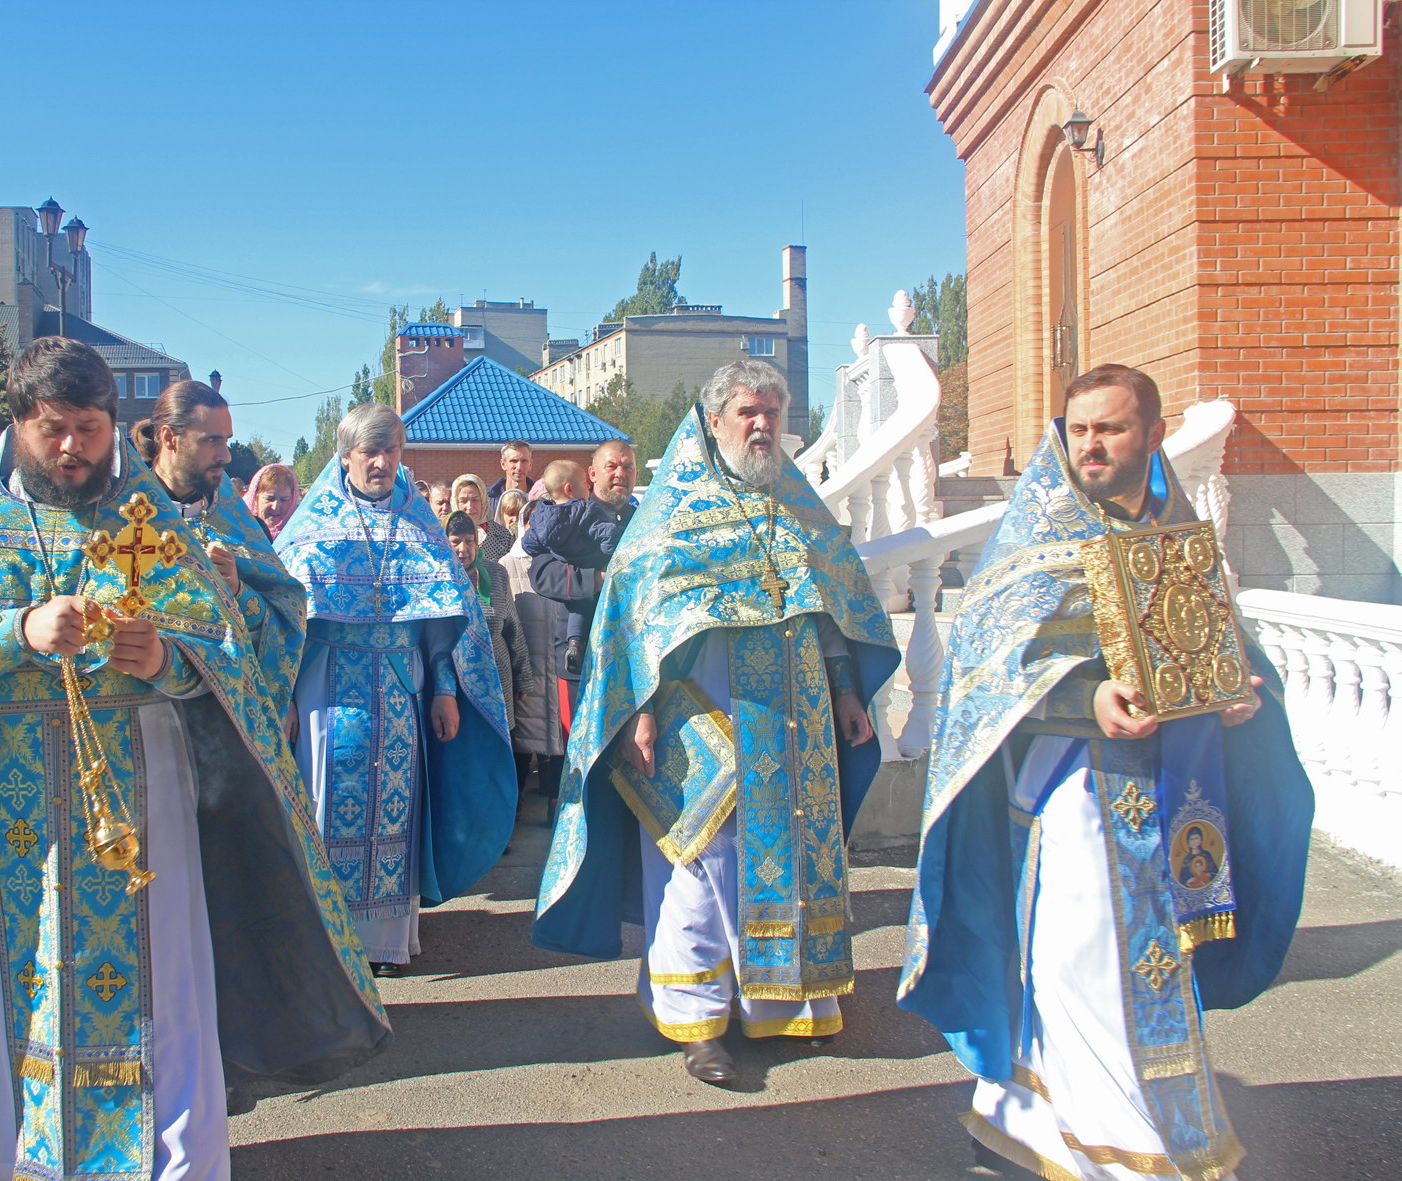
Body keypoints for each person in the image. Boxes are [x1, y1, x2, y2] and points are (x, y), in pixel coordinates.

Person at [0, 337, 389, 1179]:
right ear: (18, 422)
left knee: (163, 979)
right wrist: (11, 631)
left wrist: (166, 661)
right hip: (6, 788)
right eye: (54, 429)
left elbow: (232, 656)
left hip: (144, 778)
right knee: (13, 983)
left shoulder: (152, 524)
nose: (72, 449)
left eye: (90, 429)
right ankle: (17, 1159)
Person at [898, 364, 1312, 1181]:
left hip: (1179, 796)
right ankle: (1134, 1151)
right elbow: (992, 677)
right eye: (1078, 429)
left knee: (1141, 964)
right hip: (1076, 793)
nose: (1090, 444)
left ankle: (1041, 1123)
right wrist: (1087, 697)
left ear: (1153, 436)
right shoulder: (1037, 540)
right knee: (1083, 962)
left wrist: (1238, 699)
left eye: (1111, 429)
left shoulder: (1175, 530)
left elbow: (1216, 648)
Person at [532, 361, 899, 1086]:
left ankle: (783, 1006)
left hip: (795, 720)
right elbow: (634, 622)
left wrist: (850, 689)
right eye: (747, 412)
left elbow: (829, 606)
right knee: (699, 866)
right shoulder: (668, 516)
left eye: (771, 410)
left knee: (792, 859)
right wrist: (637, 708)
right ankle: (698, 1019)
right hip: (700, 719)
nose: (761, 424)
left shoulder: (798, 507)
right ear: (713, 421)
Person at [277, 403, 518, 979]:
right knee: (325, 805)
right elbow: (287, 619)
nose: (382, 462)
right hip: (325, 689)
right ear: (346, 457)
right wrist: (283, 693)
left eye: (391, 451)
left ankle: (384, 943)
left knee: (397, 805)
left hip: (398, 683)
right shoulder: (313, 529)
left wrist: (443, 690)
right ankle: (331, 937)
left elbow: (442, 621)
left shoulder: (419, 525)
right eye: (370, 452)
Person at [132, 380, 307, 717]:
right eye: (211, 440)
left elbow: (284, 621)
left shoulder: (240, 526)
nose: (226, 455)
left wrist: (238, 590)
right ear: (169, 438)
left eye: (226, 440)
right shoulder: (119, 520)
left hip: (227, 717)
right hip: (143, 711)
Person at [527, 439, 640, 717]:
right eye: (611, 466)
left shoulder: (642, 521)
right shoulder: (565, 517)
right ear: (592, 474)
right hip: (580, 655)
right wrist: (598, 579)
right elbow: (542, 574)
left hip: (633, 657)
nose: (620, 474)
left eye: (628, 467)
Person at [499, 498, 568, 815]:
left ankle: (556, 805)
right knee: (521, 746)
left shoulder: (565, 563)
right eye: (534, 521)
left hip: (558, 672)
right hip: (525, 673)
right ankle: (513, 810)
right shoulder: (507, 566)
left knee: (558, 742)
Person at [522, 459, 623, 675]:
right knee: (582, 603)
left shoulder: (541, 514)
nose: (587, 487)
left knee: (578, 606)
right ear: (571, 488)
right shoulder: (586, 510)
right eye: (585, 483)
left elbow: (528, 543)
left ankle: (575, 643)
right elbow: (607, 534)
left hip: (571, 577)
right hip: (588, 569)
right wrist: (607, 558)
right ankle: (576, 643)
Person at [444, 510, 534, 734]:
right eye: (455, 542)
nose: (463, 549)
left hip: (497, 677)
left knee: (497, 743)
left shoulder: (495, 573)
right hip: (454, 680)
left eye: (469, 541)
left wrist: (522, 676)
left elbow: (512, 628)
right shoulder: (437, 577)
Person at [450, 472, 513, 563]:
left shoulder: (504, 537)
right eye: (463, 501)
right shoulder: (444, 535)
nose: (470, 507)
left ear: (483, 501)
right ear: (455, 503)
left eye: (475, 500)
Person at [244, 462, 301, 541]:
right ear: (255, 497)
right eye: (270, 499)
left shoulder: (300, 536)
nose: (275, 507)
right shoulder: (240, 534)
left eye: (284, 500)